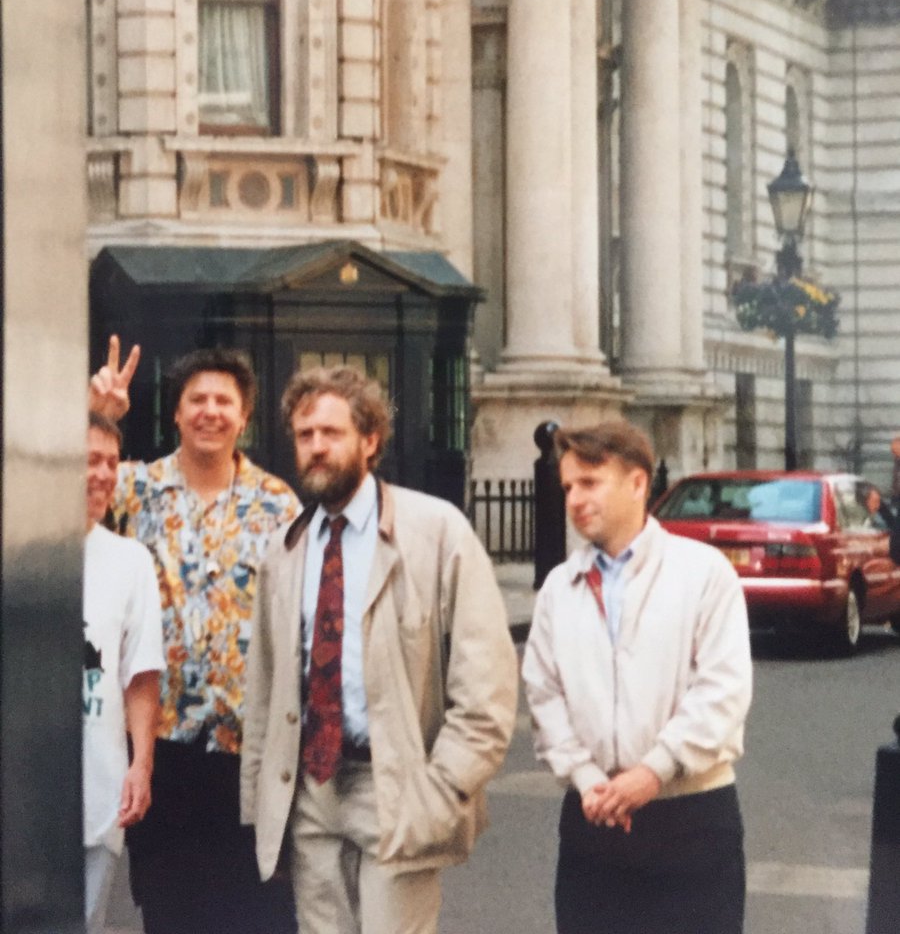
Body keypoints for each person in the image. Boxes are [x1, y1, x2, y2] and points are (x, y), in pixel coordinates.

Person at [241, 364, 518, 934]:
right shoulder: (284, 550)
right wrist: (260, 802)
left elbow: (487, 683)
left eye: (331, 433)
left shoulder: (437, 532)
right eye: (304, 435)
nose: (316, 448)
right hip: (312, 793)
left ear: (370, 440)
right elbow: (264, 690)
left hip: (395, 788)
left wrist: (441, 789)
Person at [89, 336, 300, 934]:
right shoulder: (133, 489)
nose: (210, 411)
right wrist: (99, 412)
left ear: (244, 416)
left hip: (249, 748)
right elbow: (55, 489)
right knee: (172, 909)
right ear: (177, 413)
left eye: (223, 401)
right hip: (166, 748)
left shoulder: (275, 501)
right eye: (196, 399)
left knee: (260, 910)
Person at [522, 420, 753, 934]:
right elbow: (544, 695)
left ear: (638, 483)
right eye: (567, 487)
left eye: (590, 482)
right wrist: (587, 780)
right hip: (594, 820)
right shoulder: (560, 588)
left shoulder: (704, 573)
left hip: (691, 817)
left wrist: (652, 772)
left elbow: (723, 688)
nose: (575, 498)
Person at [83, 411, 164, 934]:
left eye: (112, 462)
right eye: (90, 460)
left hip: (99, 790)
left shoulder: (130, 561)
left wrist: (141, 766)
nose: (105, 474)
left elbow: (140, 675)